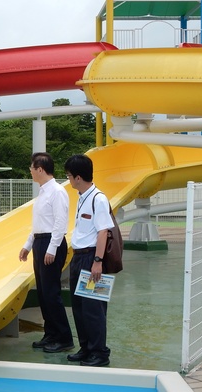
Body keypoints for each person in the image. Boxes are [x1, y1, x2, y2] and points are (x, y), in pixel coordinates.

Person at [19, 152, 74, 353]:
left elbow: (60, 223)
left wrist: (51, 249)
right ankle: (51, 333)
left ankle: (63, 337)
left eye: (32, 168)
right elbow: (39, 225)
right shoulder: (43, 192)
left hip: (52, 243)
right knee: (43, 293)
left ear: (40, 169)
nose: (31, 172)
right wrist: (28, 245)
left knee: (51, 293)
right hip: (40, 242)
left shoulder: (57, 192)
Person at [63, 154, 113, 367]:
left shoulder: (98, 199)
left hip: (92, 259)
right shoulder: (83, 196)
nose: (68, 180)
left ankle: (99, 352)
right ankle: (86, 348)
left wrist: (98, 261)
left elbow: (103, 232)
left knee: (94, 309)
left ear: (78, 177)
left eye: (69, 176)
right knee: (80, 307)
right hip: (79, 257)